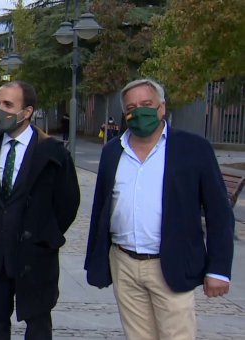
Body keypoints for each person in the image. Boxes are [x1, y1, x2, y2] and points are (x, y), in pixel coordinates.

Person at [85, 78, 234, 339]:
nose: (138, 112)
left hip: (171, 263)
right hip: (125, 262)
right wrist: (96, 261)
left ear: (162, 108)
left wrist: (218, 269)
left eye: (146, 104)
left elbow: (219, 213)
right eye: (131, 107)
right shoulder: (112, 152)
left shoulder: (193, 149)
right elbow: (101, 209)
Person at [0, 81, 80, 339]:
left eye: (8, 105)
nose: (0, 109)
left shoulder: (52, 152)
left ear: (27, 111)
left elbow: (68, 203)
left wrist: (44, 235)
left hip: (35, 258)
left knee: (38, 326)